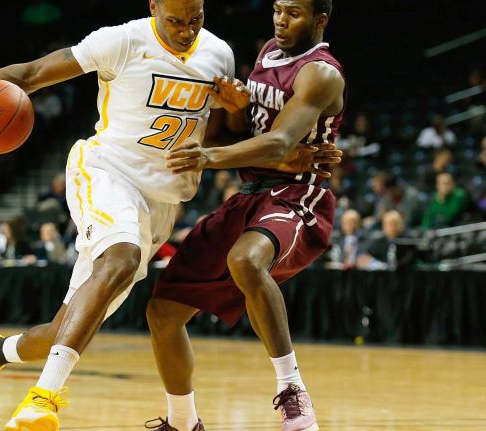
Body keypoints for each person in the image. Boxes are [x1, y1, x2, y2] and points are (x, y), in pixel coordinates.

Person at [0, 1, 338, 430]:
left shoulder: (219, 54)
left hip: (163, 200)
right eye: (175, 21)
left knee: (66, 329)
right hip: (108, 173)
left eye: (195, 20)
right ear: (154, 8)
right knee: (122, 258)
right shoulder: (122, 41)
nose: (186, 30)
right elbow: (32, 74)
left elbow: (226, 134)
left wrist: (242, 116)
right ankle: (44, 398)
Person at [146, 0, 344, 429]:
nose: (280, 19)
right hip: (251, 193)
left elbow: (279, 143)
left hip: (298, 196)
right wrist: (235, 108)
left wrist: (208, 156)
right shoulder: (267, 54)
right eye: (277, 10)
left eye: (293, 13)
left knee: (245, 259)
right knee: (163, 311)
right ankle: (183, 422)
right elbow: (254, 135)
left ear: (320, 20)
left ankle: (292, 388)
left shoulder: (321, 73)